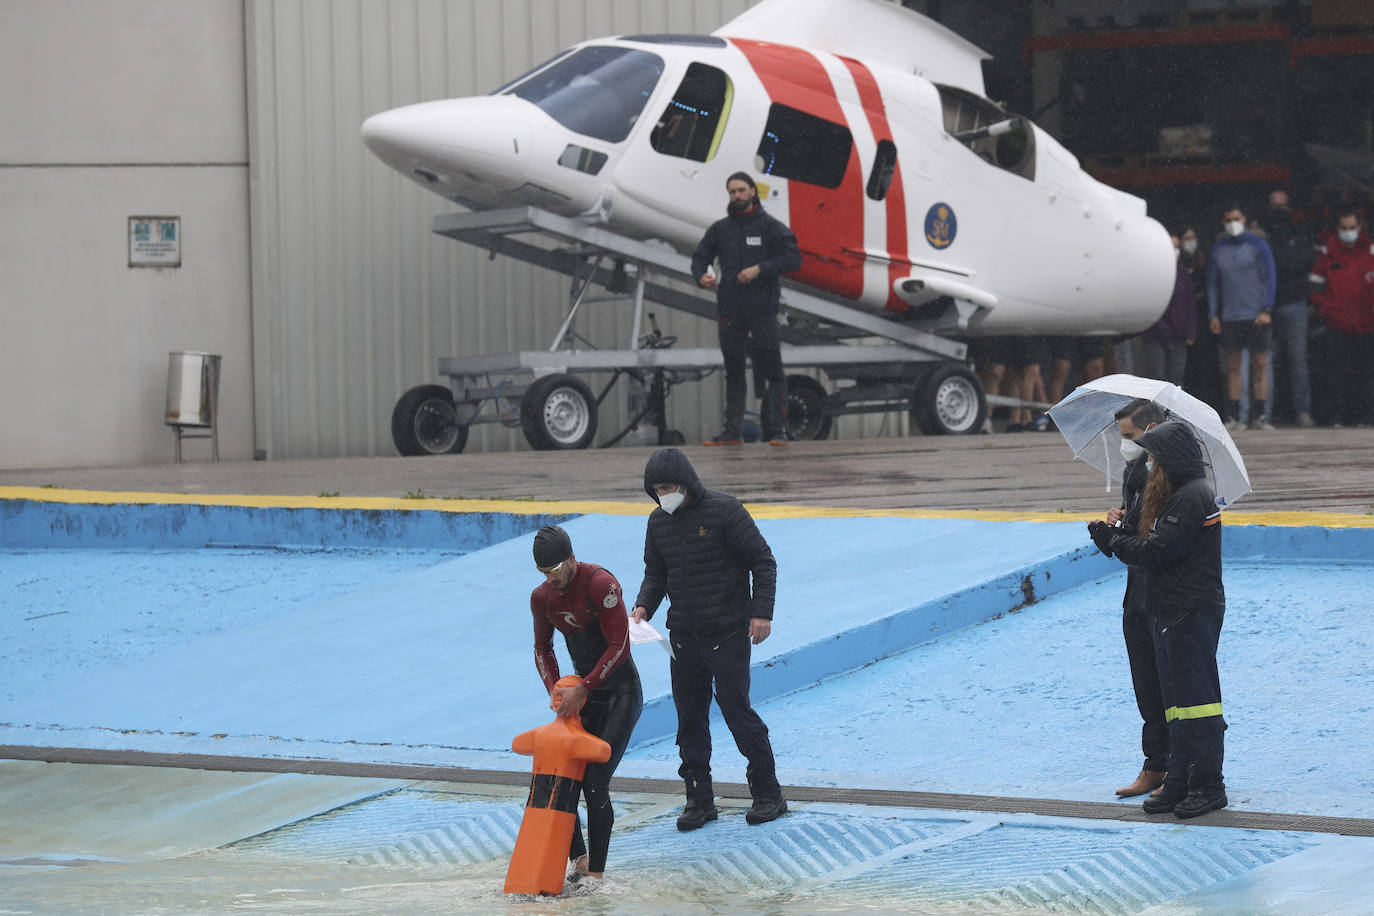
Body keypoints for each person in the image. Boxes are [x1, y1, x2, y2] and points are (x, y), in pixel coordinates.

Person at [630, 447, 787, 829]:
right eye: (656, 489)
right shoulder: (657, 523)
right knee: (689, 721)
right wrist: (642, 608)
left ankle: (768, 793)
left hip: (729, 632)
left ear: (686, 483)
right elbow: (656, 573)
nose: (663, 495)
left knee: (737, 711)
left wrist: (761, 613)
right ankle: (699, 800)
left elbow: (762, 561)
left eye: (668, 487)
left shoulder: (725, 511)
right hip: (683, 638)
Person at [1088, 421, 1227, 818]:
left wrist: (1115, 542)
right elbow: (1151, 542)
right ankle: (1180, 777)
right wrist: (1117, 533)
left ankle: (1209, 784)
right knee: (1177, 705)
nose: (1147, 462)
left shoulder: (1191, 497)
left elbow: (1157, 551)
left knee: (1197, 703)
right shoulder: (1177, 496)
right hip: (1171, 608)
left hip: (1189, 609)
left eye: (1152, 456)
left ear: (1170, 459)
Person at [528, 525, 643, 879]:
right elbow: (542, 649)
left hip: (620, 693)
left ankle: (597, 873)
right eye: (545, 573)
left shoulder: (599, 584)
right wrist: (555, 689)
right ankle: (579, 859)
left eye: (557, 570)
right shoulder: (542, 598)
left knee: (594, 780)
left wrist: (586, 686)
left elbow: (619, 646)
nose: (552, 578)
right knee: (561, 777)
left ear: (572, 559)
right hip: (584, 698)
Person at [692, 172, 802, 446]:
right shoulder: (720, 229)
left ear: (753, 191)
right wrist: (702, 276)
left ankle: (777, 432)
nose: (737, 196)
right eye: (732, 192)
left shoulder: (771, 227)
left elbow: (793, 259)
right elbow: (700, 257)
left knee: (773, 370)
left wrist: (760, 269)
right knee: (734, 371)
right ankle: (732, 432)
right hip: (730, 309)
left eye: (741, 190)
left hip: (762, 309)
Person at [1106, 399, 1169, 798]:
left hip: (1166, 595)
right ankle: (1155, 763)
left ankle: (1177, 763)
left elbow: (1161, 542)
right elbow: (1134, 529)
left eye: (1129, 437)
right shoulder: (1134, 470)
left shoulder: (1178, 475)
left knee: (1174, 685)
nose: (1125, 445)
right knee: (1145, 682)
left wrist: (1124, 537)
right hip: (1137, 593)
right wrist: (1117, 523)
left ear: (1150, 430)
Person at [1206, 205, 1276, 430]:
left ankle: (1262, 416)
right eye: (1228, 219)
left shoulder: (1258, 245)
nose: (1232, 223)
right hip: (1230, 316)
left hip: (1256, 315)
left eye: (1236, 218)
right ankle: (1235, 417)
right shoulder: (1218, 250)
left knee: (1260, 364)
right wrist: (1213, 314)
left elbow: (1270, 277)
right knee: (1233, 367)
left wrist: (1267, 309)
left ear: (1244, 219)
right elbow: (1212, 284)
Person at [1309, 209, 1374, 428]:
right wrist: (1327, 311)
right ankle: (1338, 416)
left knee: (1365, 374)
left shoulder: (1371, 252)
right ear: (1338, 229)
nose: (1348, 232)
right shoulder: (1327, 253)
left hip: (1366, 325)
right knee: (1337, 375)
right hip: (1336, 325)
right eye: (1344, 228)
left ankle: (1364, 416)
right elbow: (1315, 288)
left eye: (1352, 228)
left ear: (1360, 227)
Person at [1259, 190, 1315, 427]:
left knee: (1298, 361)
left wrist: (1281, 264)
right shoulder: (1262, 233)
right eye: (1275, 205)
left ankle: (1302, 411)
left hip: (1294, 304)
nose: (1279, 210)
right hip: (1266, 307)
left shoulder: (1298, 232)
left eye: (1282, 205)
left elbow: (1303, 261)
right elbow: (1267, 266)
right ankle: (1269, 414)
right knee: (1269, 362)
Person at [1140, 235, 1197, 386]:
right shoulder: (1151, 273)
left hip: (1179, 335)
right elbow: (1151, 304)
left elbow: (1190, 303)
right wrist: (1167, 333)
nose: (1174, 251)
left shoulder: (1182, 273)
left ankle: (1174, 410)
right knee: (1156, 377)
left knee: (1176, 378)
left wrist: (1190, 331)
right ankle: (1156, 411)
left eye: (1176, 247)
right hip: (1156, 334)